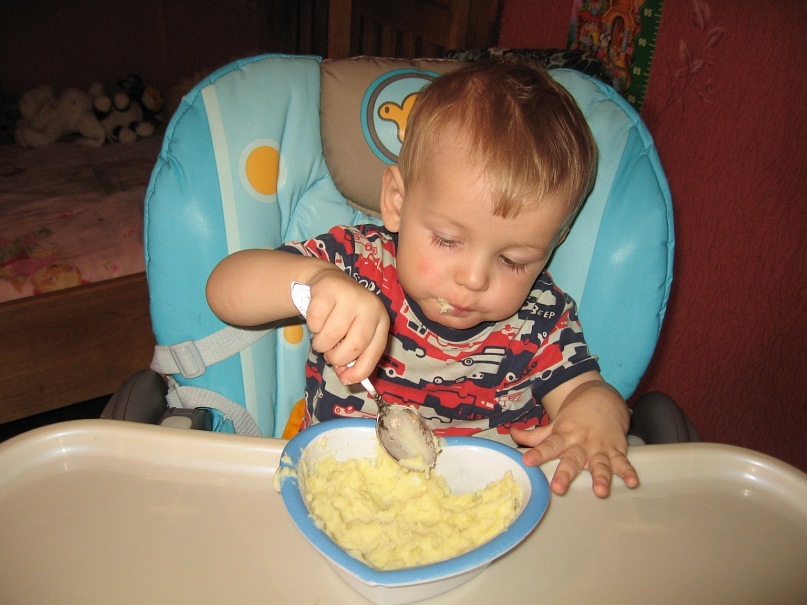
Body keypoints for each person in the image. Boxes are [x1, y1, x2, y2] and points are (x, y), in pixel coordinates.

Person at [206, 58, 639, 498]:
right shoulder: (354, 264)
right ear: (397, 202)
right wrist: (314, 280)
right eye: (448, 240)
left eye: (513, 260)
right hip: (333, 493)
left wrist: (596, 416)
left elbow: (585, 392)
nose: (473, 278)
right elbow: (224, 289)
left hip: (483, 511)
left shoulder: (540, 320)